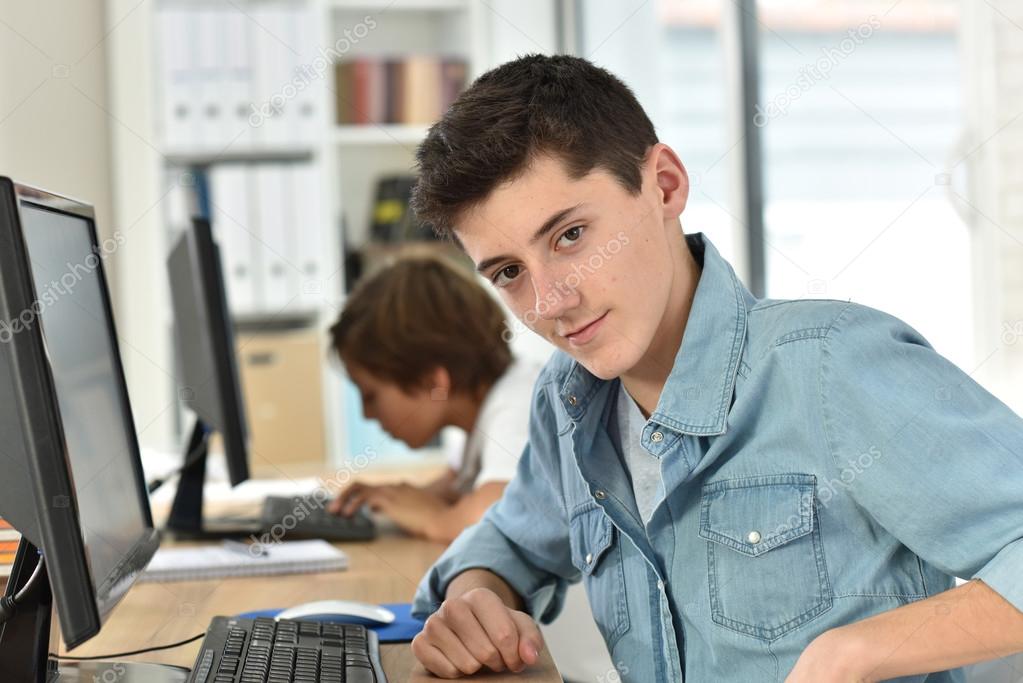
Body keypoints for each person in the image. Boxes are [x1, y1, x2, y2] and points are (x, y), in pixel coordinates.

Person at [406, 54, 1023, 681]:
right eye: (510, 273)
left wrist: (858, 650)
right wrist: (473, 601)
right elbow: (512, 543)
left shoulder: (830, 366)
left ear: (665, 186)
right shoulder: (567, 402)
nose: (551, 303)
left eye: (570, 237)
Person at [326, 250, 535, 544]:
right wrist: (393, 497)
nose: (367, 414)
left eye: (371, 395)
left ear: (433, 382)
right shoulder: (477, 414)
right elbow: (456, 487)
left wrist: (435, 520)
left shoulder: (519, 402)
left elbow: (499, 517)